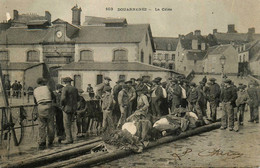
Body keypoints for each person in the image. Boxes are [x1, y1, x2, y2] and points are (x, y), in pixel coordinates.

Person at [33, 77, 55, 150]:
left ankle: (42, 141)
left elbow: (35, 101)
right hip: (49, 105)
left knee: (41, 125)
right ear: (44, 83)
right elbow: (53, 97)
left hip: (40, 106)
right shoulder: (48, 88)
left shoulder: (35, 90)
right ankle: (50, 140)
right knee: (50, 123)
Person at [61, 77, 80, 144]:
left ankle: (69, 139)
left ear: (65, 82)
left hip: (67, 108)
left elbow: (63, 98)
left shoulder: (64, 88)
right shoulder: (75, 89)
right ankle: (71, 137)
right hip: (73, 108)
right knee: (72, 123)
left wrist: (62, 105)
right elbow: (78, 98)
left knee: (67, 124)